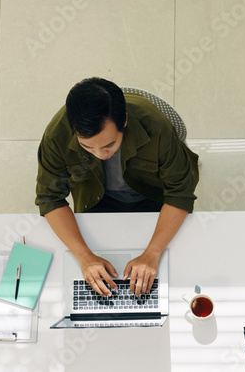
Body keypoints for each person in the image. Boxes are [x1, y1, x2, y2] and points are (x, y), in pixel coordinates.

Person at [36, 77, 199, 298]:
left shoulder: (156, 127)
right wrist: (85, 258)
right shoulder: (57, 135)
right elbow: (50, 199)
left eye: (109, 144)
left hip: (154, 198)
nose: (100, 154)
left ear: (124, 121)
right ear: (74, 130)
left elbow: (179, 193)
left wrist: (152, 253)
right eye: (86, 147)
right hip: (95, 200)